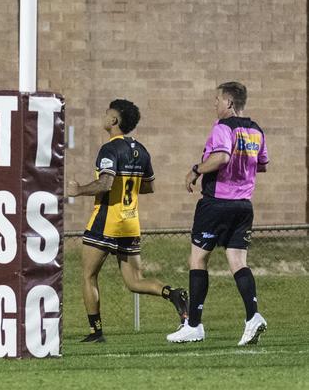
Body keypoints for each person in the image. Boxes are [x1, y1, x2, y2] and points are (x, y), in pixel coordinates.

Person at [67, 99, 188, 343]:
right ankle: (173, 293)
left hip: (106, 222)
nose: (103, 116)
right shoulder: (141, 150)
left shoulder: (109, 149)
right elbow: (149, 187)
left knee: (89, 276)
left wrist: (78, 190)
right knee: (135, 281)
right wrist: (128, 188)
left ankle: (96, 331)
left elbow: (105, 183)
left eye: (106, 113)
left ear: (114, 120)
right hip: (130, 222)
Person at [167, 82, 268, 345]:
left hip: (217, 204)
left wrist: (196, 169)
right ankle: (252, 316)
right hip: (244, 205)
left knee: (198, 260)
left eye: (217, 100)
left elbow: (222, 157)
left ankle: (194, 326)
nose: (215, 104)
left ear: (230, 103)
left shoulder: (223, 127)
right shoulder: (256, 130)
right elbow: (262, 164)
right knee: (238, 262)